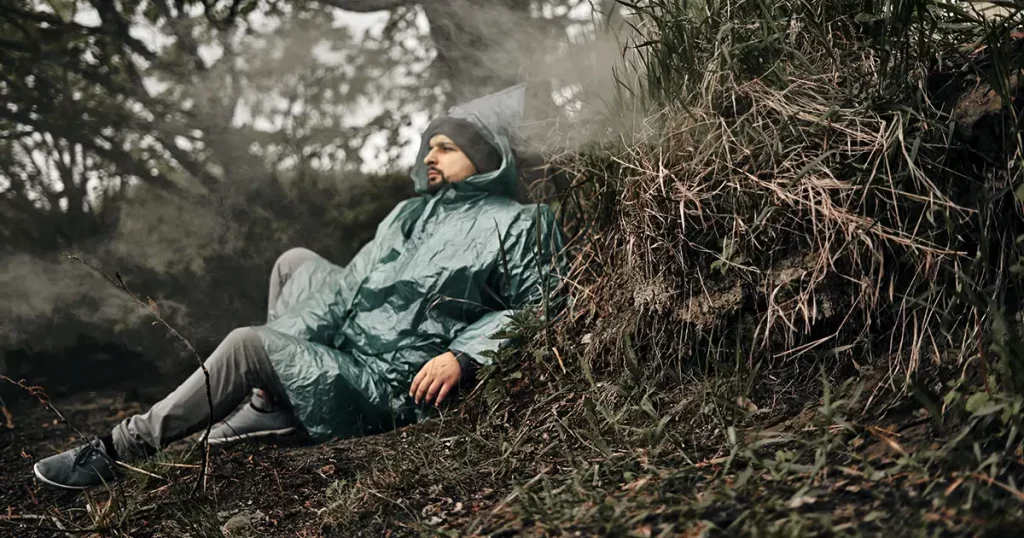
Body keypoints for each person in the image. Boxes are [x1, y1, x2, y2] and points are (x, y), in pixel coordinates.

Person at [32, 108, 564, 490]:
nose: (429, 155)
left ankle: (119, 449)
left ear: (485, 156)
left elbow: (542, 303)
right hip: (351, 347)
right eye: (429, 145)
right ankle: (271, 403)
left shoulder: (520, 222)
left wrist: (463, 355)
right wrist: (286, 346)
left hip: (388, 381)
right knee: (296, 262)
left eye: (445, 147)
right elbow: (345, 289)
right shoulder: (410, 213)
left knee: (246, 343)